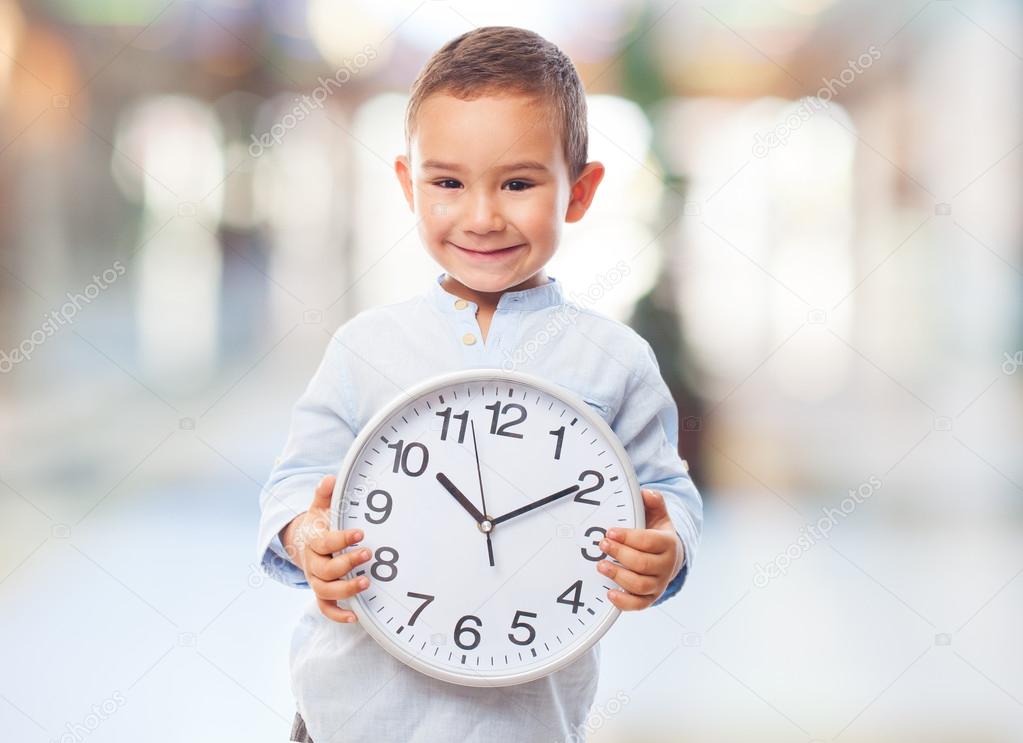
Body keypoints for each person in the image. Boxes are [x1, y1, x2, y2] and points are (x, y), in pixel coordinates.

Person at [257, 25, 703, 743]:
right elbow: (293, 482)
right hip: (352, 719)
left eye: (518, 183)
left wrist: (669, 545)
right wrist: (306, 533)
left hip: (524, 722)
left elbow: (667, 494)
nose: (483, 215)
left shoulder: (614, 359)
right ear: (409, 184)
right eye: (448, 183)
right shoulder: (365, 348)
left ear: (580, 190)